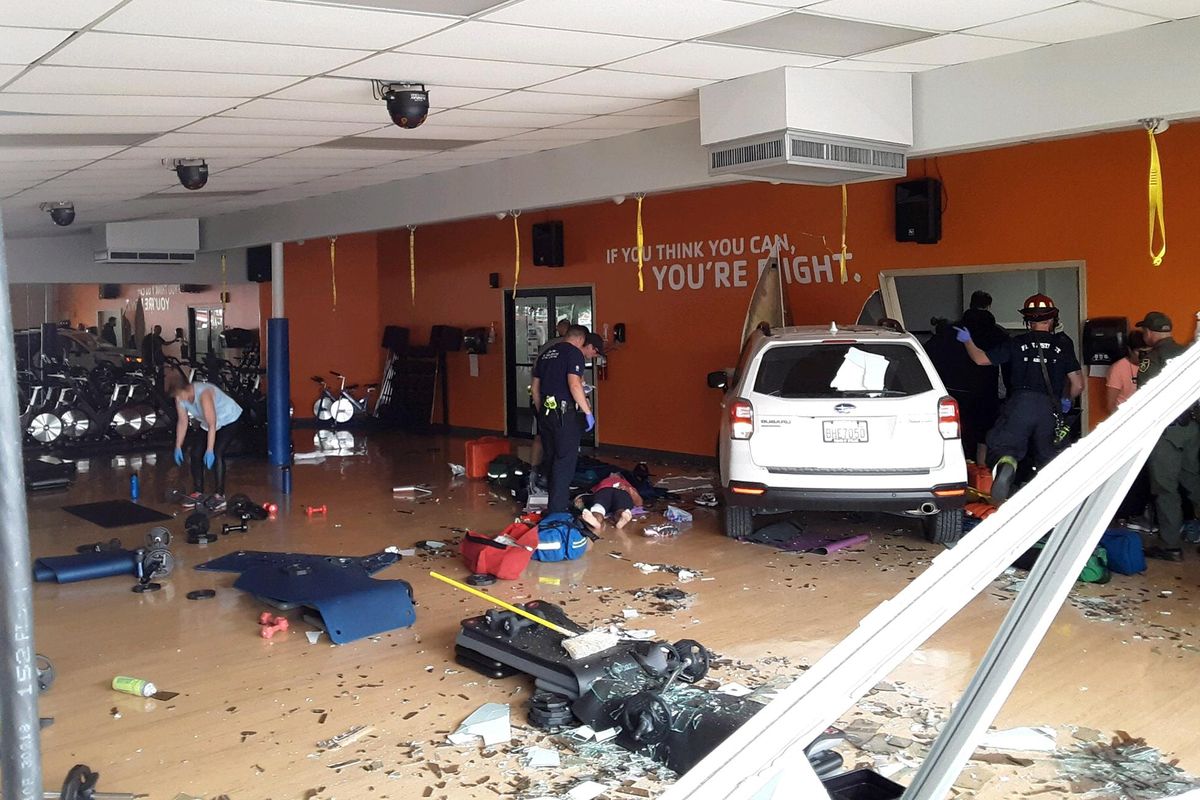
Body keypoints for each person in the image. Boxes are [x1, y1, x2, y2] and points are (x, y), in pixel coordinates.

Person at [957, 294, 1082, 502]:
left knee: (1004, 446)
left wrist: (967, 340)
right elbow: (1078, 384)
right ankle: (1050, 498)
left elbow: (980, 359)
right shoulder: (1064, 344)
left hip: (1019, 404)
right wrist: (1066, 400)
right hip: (1049, 407)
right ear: (1052, 320)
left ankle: (1007, 464)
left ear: (1028, 321)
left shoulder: (1016, 343)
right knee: (1051, 455)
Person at [1135, 312, 1200, 562]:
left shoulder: (1150, 360)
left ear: (1150, 332)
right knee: (1195, 484)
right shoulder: (1188, 353)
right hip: (1192, 428)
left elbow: (1145, 397)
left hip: (1166, 431)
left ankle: (1170, 545)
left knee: (1165, 489)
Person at [531, 325, 600, 513]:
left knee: (551, 457)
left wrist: (541, 413)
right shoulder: (573, 353)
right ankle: (558, 510)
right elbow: (574, 384)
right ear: (580, 339)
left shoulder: (546, 354)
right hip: (564, 415)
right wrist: (587, 412)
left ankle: (552, 501)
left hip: (546, 413)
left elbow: (535, 389)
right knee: (565, 461)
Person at [166, 368, 243, 513]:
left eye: (178, 395)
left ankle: (220, 496)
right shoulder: (180, 396)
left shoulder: (204, 395)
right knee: (195, 453)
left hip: (229, 419)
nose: (178, 399)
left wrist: (209, 450)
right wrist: (178, 445)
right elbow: (182, 421)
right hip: (208, 423)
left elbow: (212, 425)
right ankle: (198, 492)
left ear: (186, 389)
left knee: (217, 452)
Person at [529, 318, 575, 489]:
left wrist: (540, 408)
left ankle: (534, 472)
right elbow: (574, 382)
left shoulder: (548, 346)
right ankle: (554, 477)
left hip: (541, 397)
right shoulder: (569, 350)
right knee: (560, 440)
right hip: (558, 402)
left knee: (540, 436)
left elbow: (536, 374)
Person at [576, 472, 643, 532]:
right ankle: (620, 519)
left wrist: (628, 489)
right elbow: (639, 502)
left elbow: (590, 494)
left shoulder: (625, 483)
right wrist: (628, 489)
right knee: (619, 509)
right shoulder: (626, 484)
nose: (612, 473)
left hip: (608, 492)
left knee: (598, 508)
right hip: (615, 492)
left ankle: (597, 521)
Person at [1105, 329, 1146, 412]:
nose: (1144, 355)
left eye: (1147, 351)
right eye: (1139, 352)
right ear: (1130, 350)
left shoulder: (1152, 362)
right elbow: (1111, 405)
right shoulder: (1118, 368)